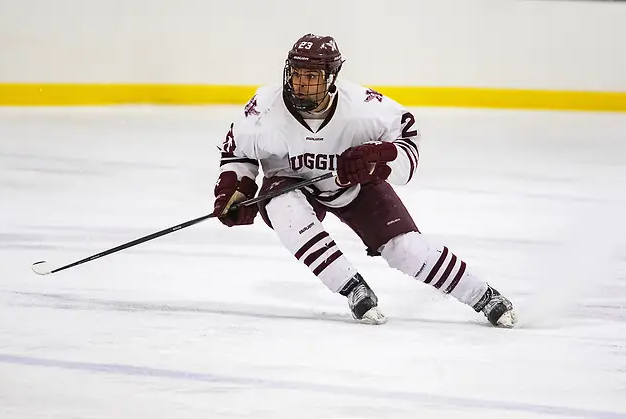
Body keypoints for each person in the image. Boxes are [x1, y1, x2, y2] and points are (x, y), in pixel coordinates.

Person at [212, 33, 516, 327]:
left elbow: (407, 139)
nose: (300, 85)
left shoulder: (363, 107)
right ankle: (351, 286)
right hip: (291, 186)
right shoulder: (264, 108)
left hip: (353, 189)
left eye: (311, 77)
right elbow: (238, 152)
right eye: (296, 75)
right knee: (282, 206)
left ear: (331, 77)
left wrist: (377, 160)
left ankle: (483, 295)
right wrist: (235, 190)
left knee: (405, 250)